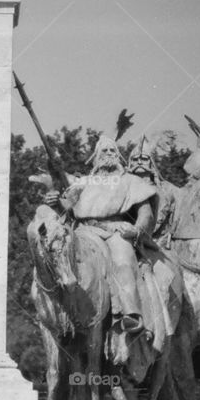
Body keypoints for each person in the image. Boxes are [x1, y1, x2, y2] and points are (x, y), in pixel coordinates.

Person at [45, 134, 157, 335]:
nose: (108, 154)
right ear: (96, 155)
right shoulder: (85, 181)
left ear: (119, 155)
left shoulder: (131, 181)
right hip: (84, 231)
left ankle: (131, 313)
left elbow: (146, 213)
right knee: (60, 253)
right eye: (104, 150)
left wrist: (136, 229)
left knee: (123, 260)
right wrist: (56, 201)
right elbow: (68, 205)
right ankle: (54, 307)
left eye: (112, 150)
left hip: (114, 231)